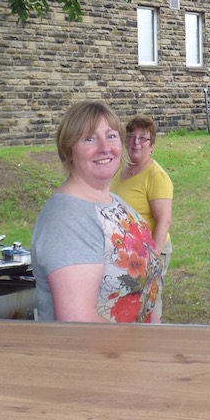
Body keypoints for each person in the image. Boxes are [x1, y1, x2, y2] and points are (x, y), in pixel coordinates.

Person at [31, 101, 164, 323]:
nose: (105, 147)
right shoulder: (67, 219)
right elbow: (78, 322)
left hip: (136, 352)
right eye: (89, 139)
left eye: (111, 136)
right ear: (68, 150)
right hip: (98, 356)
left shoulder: (115, 203)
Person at [110, 115, 174, 273]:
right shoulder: (120, 169)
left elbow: (164, 221)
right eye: (131, 137)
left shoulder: (156, 176)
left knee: (147, 297)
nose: (136, 142)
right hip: (125, 252)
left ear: (151, 146)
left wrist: (153, 259)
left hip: (148, 253)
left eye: (143, 138)